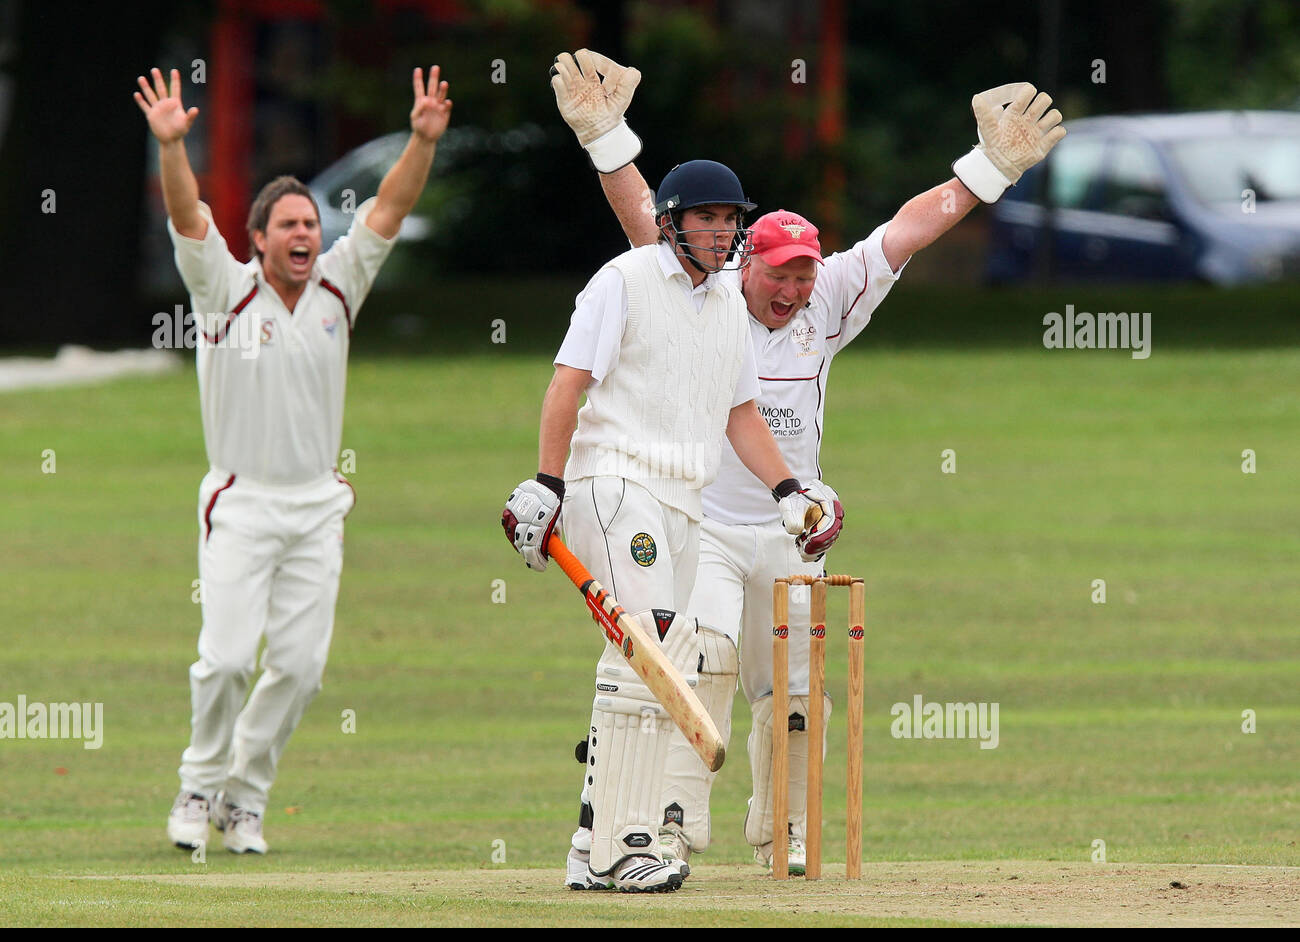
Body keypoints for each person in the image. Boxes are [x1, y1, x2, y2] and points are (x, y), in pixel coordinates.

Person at [550, 50, 1065, 876]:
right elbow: (650, 216)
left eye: (803, 274)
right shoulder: (705, 281)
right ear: (744, 258)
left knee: (796, 697)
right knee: (700, 663)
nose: (791, 290)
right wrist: (606, 135)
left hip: (790, 531)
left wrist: (988, 168)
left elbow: (908, 229)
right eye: (779, 274)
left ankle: (783, 831)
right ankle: (667, 827)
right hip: (704, 526)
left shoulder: (829, 295)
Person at [502, 140, 840, 891]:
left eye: (730, 220)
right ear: (669, 221)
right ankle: (623, 846)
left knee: (663, 656)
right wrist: (545, 483)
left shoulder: (725, 303)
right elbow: (568, 383)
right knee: (647, 645)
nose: (721, 232)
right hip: (615, 482)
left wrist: (792, 491)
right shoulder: (622, 280)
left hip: (684, 502)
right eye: (706, 219)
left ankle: (592, 839)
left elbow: (741, 413)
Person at [138, 64, 453, 854]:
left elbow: (389, 207)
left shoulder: (339, 290)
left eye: (310, 223)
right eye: (287, 225)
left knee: (302, 670)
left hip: (317, 506)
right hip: (241, 504)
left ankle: (245, 797)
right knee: (225, 661)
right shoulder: (223, 292)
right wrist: (174, 147)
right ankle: (198, 782)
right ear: (258, 239)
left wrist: (419, 140)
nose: (304, 235)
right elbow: (186, 215)